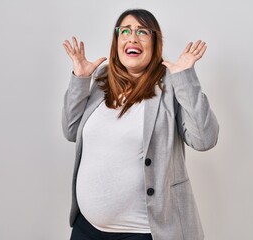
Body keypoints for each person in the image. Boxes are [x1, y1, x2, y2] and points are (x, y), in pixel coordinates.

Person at [62, 8, 219, 240]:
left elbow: (205, 139)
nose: (132, 37)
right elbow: (71, 130)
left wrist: (185, 76)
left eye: (142, 32)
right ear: (117, 42)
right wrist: (80, 79)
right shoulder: (101, 80)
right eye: (125, 30)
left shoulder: (171, 86)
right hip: (86, 229)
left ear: (155, 43)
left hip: (143, 232)